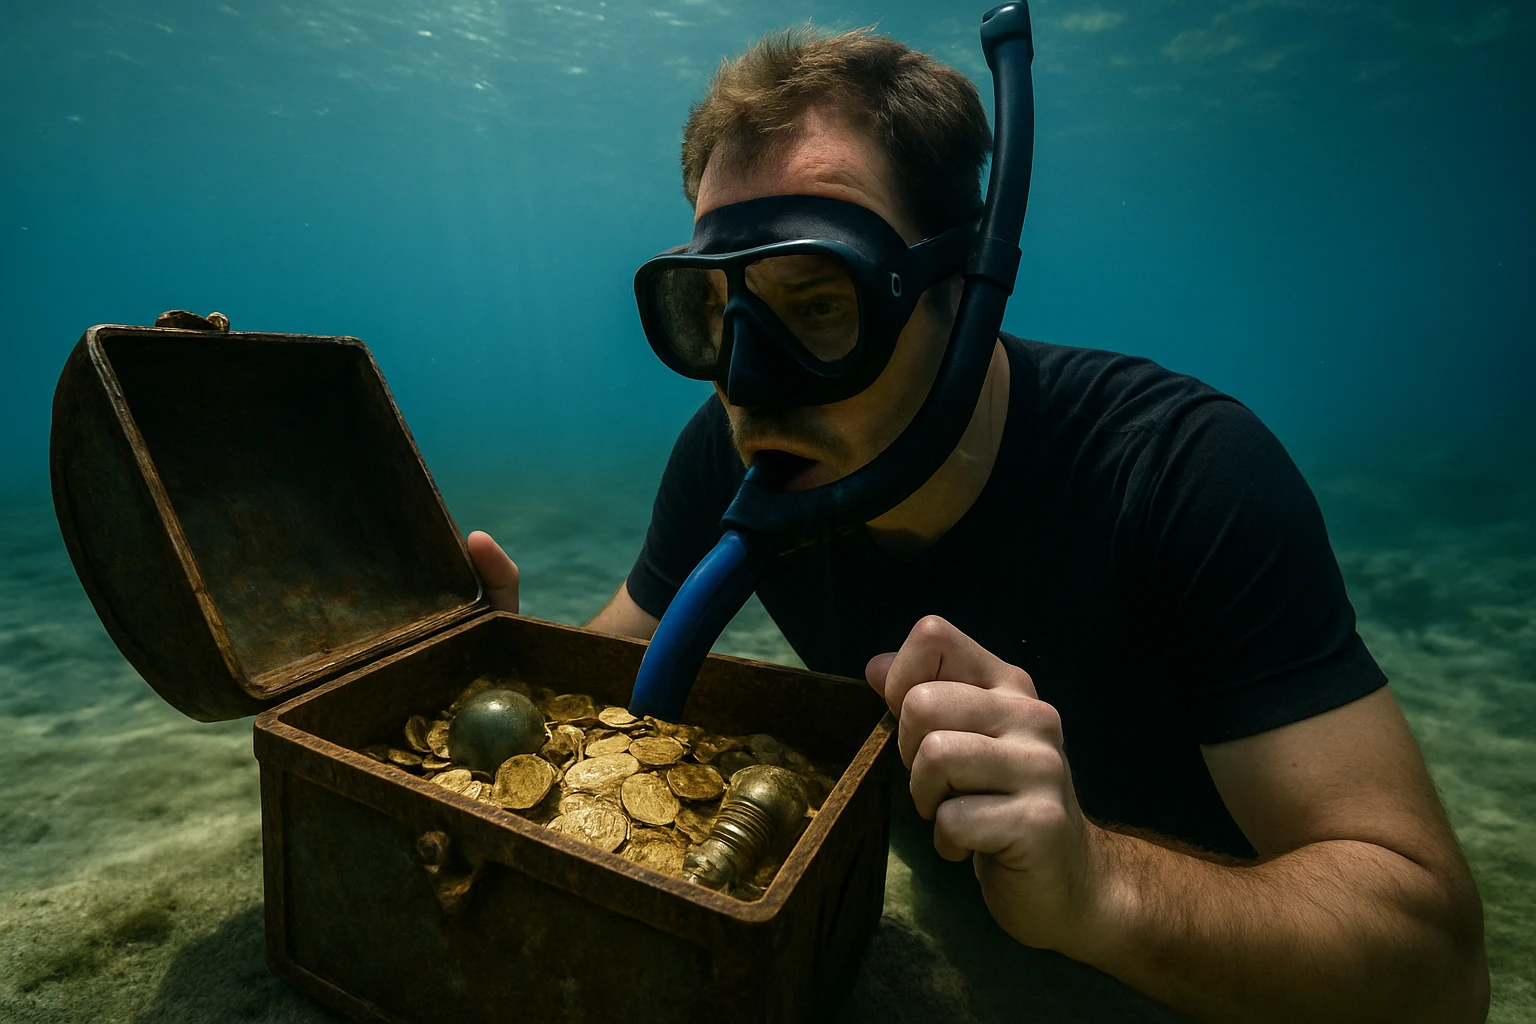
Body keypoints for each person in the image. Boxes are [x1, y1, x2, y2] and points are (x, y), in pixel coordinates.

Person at [468, 27, 1489, 1023]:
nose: (749, 384)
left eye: (820, 306)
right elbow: (605, 680)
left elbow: (1440, 973)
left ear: (960, 290)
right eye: (714, 312)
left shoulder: (1186, 474)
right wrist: (486, 664)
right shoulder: (730, 454)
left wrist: (1100, 886)